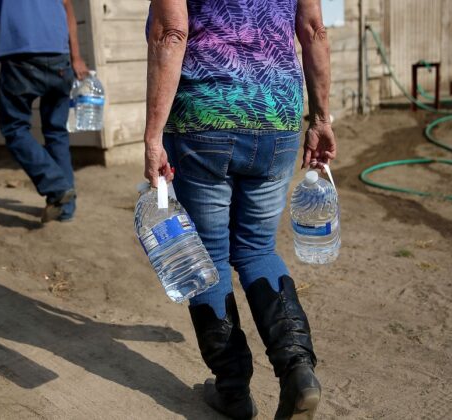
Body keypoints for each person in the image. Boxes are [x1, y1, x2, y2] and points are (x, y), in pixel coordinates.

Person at [144, 0, 336, 419]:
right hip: (277, 116)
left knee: (208, 258)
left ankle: (233, 391)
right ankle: (298, 370)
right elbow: (314, 30)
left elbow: (170, 32)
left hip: (206, 117)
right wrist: (321, 117)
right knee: (258, 250)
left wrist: (153, 135)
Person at [0, 0, 90, 223]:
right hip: (59, 57)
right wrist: (76, 57)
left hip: (20, 57)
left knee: (14, 128)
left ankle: (56, 186)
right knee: (57, 132)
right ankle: (65, 208)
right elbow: (67, 7)